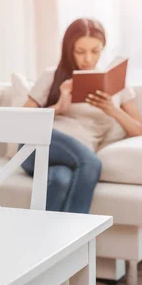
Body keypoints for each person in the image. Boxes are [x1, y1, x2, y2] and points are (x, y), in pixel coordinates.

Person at [22, 18, 142, 213]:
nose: (88, 59)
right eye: (80, 51)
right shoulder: (53, 75)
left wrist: (112, 110)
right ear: (69, 50)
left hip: (75, 155)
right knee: (91, 163)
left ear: (103, 48)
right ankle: (80, 240)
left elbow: (138, 131)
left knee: (61, 179)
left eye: (95, 51)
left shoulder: (117, 84)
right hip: (40, 145)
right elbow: (19, 122)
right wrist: (59, 107)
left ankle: (42, 240)